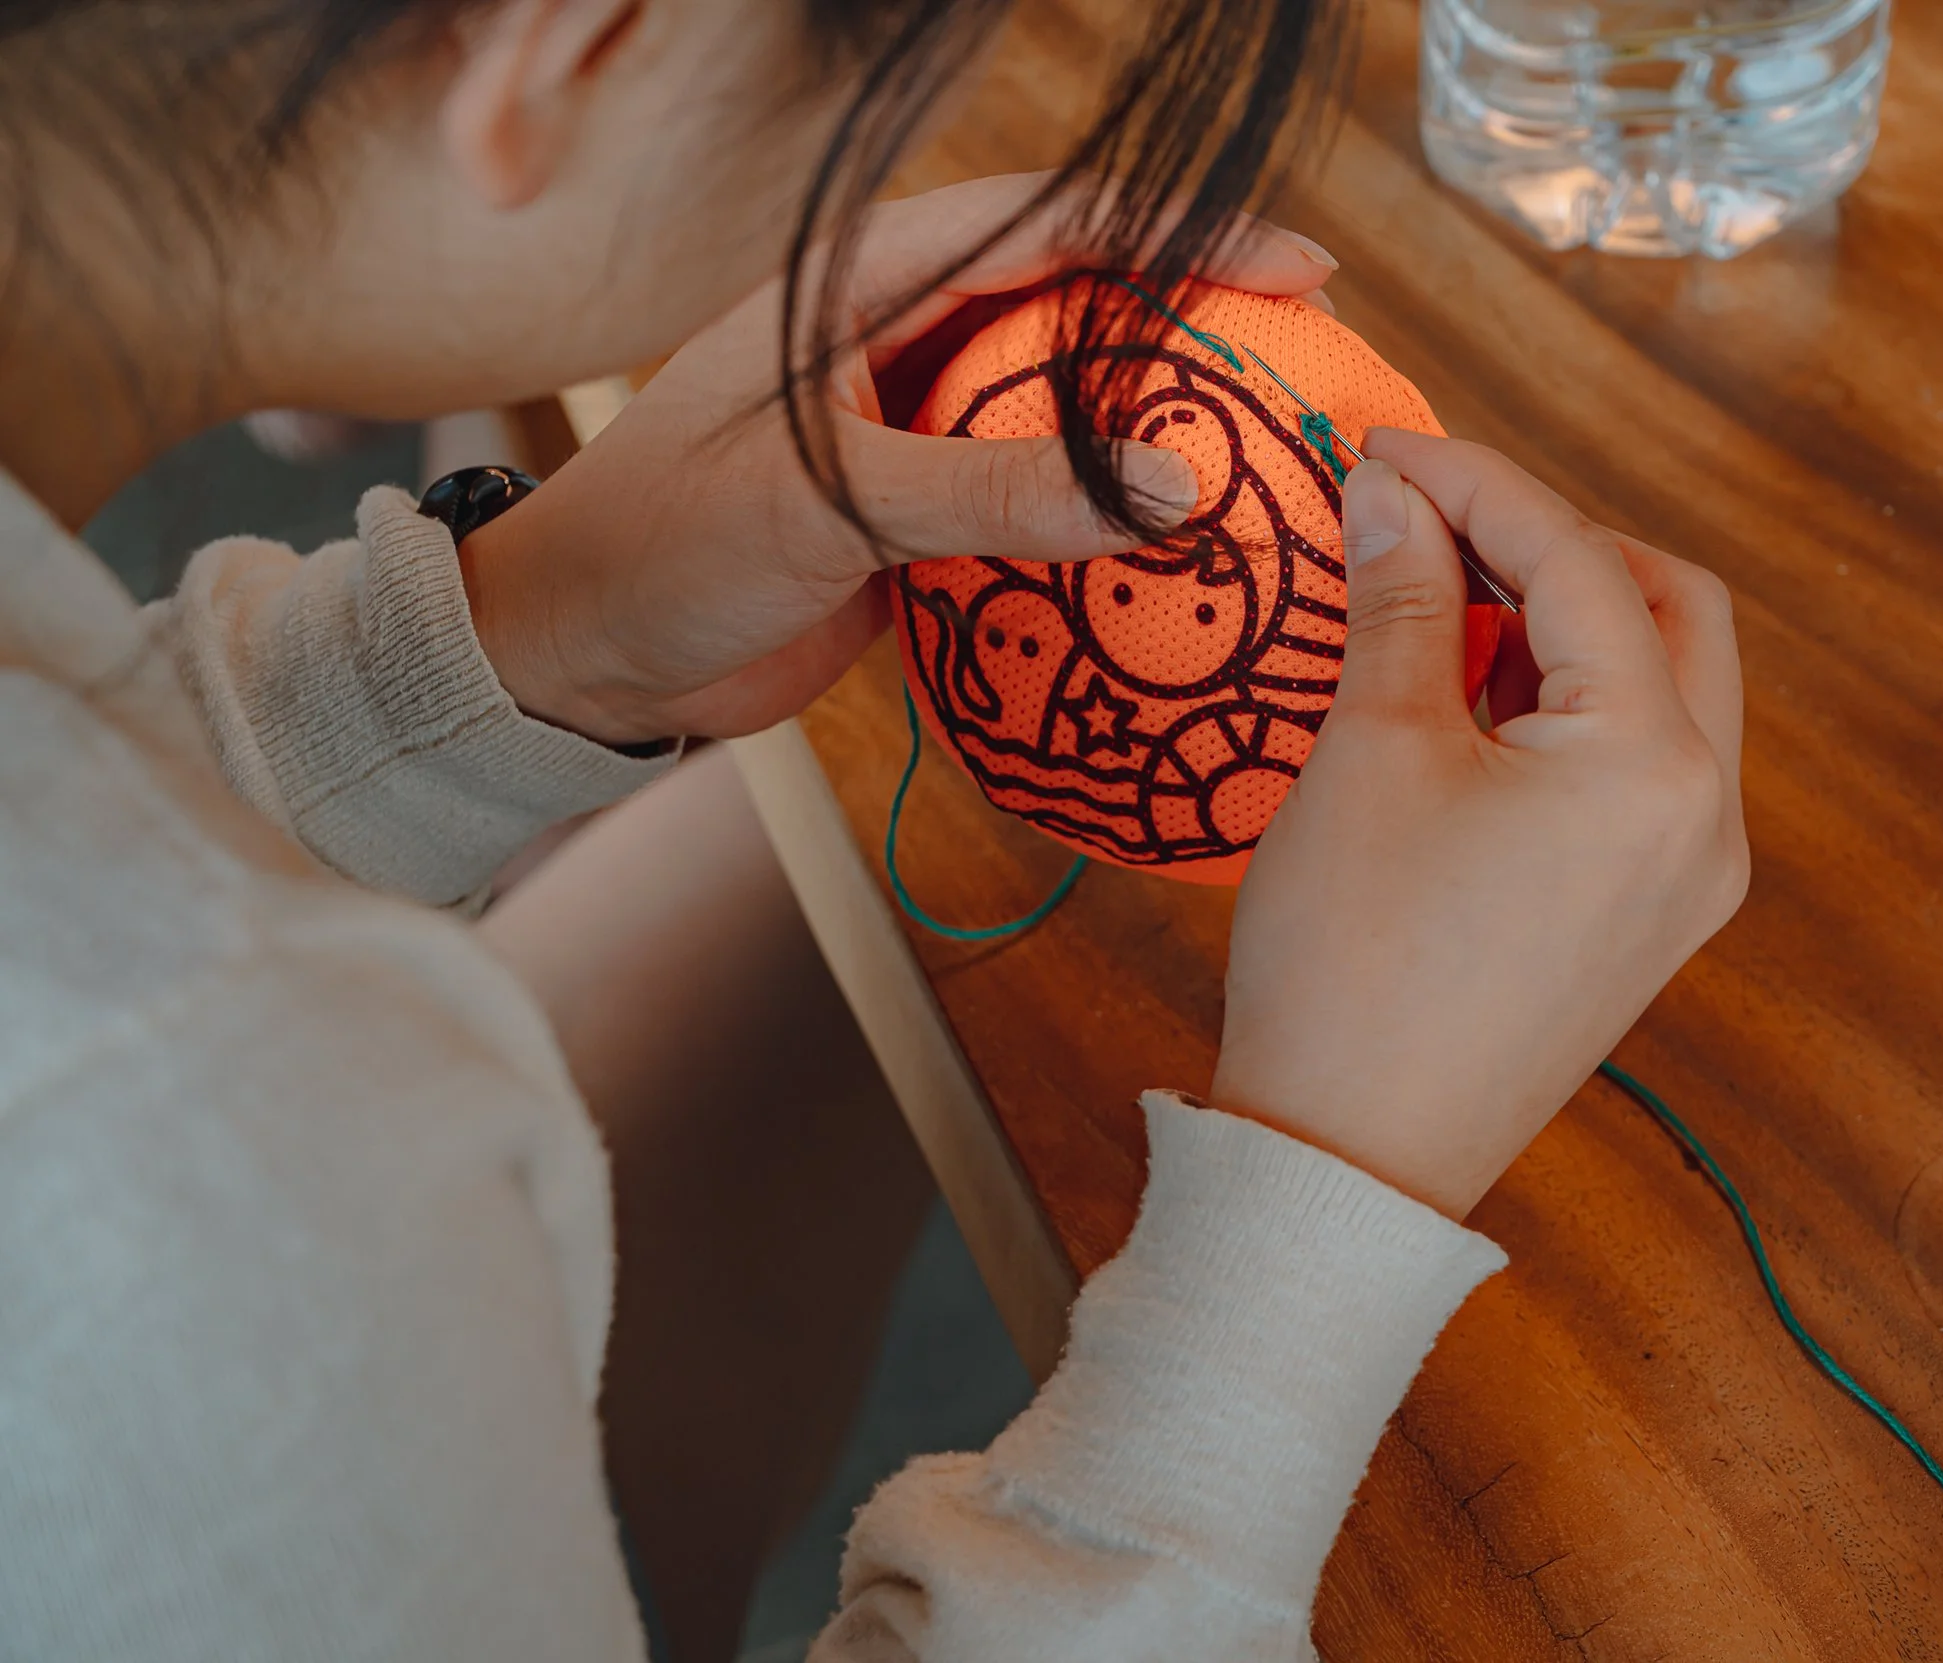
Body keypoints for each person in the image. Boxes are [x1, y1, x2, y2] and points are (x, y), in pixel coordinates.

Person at [0, 2, 1750, 1659]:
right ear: (573, 39)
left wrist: (496, 642)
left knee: (782, 894)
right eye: (909, 62)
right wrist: (1325, 1185)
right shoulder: (173, 1182)